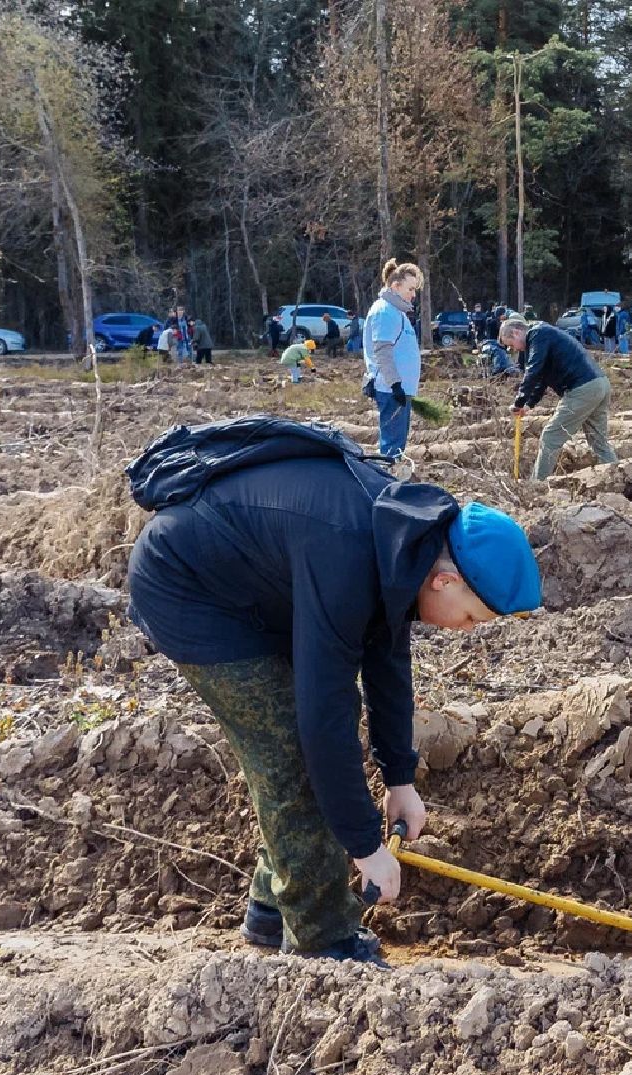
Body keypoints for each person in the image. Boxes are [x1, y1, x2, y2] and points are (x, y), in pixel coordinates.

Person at [126, 418, 542, 966]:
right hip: (190, 593)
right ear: (446, 581)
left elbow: (387, 662)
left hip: (257, 588)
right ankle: (322, 941)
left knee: (313, 735)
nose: (465, 630)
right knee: (291, 756)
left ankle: (273, 906)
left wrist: (399, 778)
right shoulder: (349, 554)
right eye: (470, 618)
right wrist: (366, 846)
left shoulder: (405, 543)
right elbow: (320, 722)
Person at [502, 318, 619, 480]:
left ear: (516, 332)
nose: (514, 349)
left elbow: (533, 371)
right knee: (599, 442)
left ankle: (536, 485)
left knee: (551, 436)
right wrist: (527, 405)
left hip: (582, 388)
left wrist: (518, 401)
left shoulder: (537, 334)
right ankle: (618, 478)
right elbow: (541, 378)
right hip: (600, 384)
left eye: (511, 345)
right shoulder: (543, 334)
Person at [364, 259, 424, 460]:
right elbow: (382, 351)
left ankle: (391, 473)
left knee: (397, 444)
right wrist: (395, 384)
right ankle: (386, 476)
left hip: (398, 389)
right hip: (391, 389)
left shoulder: (396, 312)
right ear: (396, 286)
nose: (413, 294)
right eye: (410, 289)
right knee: (392, 447)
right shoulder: (385, 312)